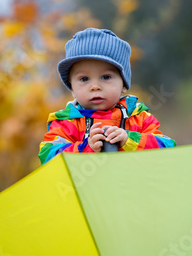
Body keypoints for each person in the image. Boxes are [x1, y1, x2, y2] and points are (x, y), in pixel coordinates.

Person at [38, 28, 175, 165]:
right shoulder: (66, 123)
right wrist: (85, 148)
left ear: (123, 84)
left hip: (133, 184)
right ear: (72, 88)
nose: (95, 86)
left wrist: (129, 140)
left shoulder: (137, 117)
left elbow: (168, 147)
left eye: (106, 77)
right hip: (89, 185)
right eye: (84, 79)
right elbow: (49, 156)